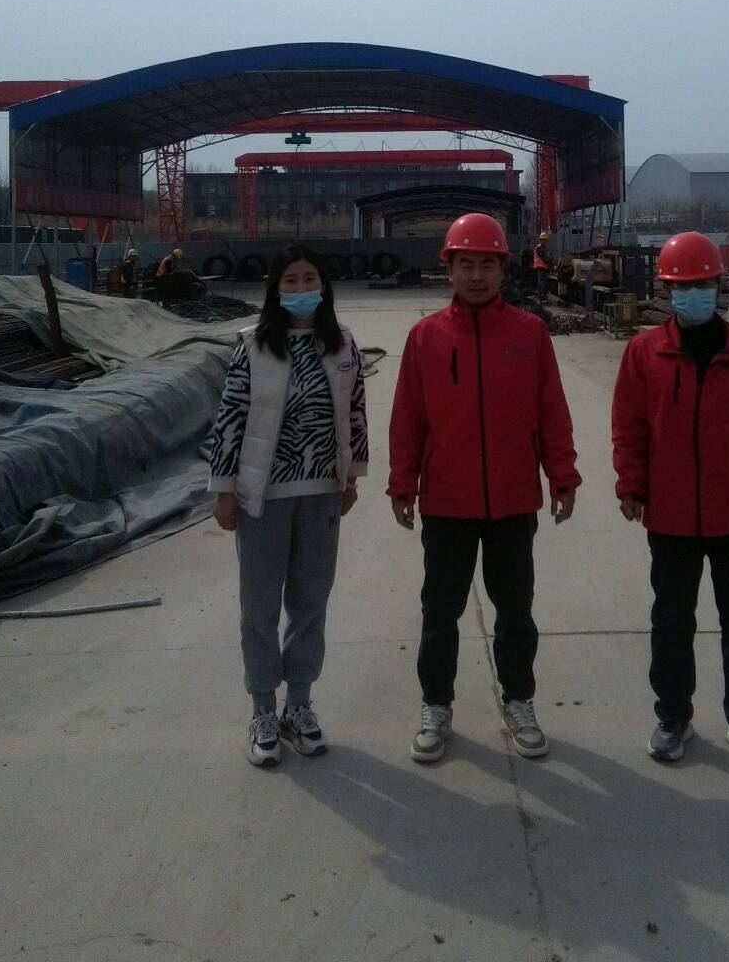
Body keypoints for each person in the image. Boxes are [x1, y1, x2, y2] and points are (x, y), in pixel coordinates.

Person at [389, 212, 580, 764]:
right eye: (466, 264)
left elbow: (551, 410)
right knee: (439, 612)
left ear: (503, 269)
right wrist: (403, 482)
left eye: (487, 265)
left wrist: (562, 474)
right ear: (448, 269)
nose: (476, 276)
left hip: (513, 501)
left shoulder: (529, 334)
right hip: (447, 501)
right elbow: (408, 417)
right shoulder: (426, 337)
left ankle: (518, 701)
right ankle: (436, 705)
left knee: (516, 612)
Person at [611, 231, 729, 772]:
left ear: (719, 286)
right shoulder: (645, 353)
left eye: (703, 285)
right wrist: (630, 484)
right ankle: (673, 718)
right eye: (682, 287)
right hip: (670, 517)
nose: (693, 295)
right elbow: (629, 427)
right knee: (671, 624)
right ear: (667, 290)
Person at [208, 247, 368, 767]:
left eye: (310, 278)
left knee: (310, 602)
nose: (302, 288)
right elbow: (230, 417)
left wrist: (351, 477)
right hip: (262, 497)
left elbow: (355, 412)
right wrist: (223, 489)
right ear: (276, 290)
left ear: (324, 286)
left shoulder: (342, 345)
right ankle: (262, 709)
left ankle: (298, 705)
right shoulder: (253, 346)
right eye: (292, 280)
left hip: (321, 493)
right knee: (259, 608)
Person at [533, 232, 551, 302]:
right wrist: (552, 263)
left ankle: (541, 297)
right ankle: (542, 298)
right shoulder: (540, 248)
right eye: (543, 239)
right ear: (540, 240)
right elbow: (545, 258)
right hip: (541, 267)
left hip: (542, 267)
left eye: (545, 240)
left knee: (542, 282)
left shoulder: (542, 247)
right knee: (542, 283)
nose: (545, 241)